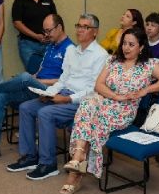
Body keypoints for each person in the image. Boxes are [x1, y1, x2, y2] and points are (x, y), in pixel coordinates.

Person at [60, 28, 159, 194]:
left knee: (91, 115)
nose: (126, 48)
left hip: (124, 111)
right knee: (88, 104)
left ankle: (76, 167)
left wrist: (146, 90)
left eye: (131, 44)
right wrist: (115, 96)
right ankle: (78, 160)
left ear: (141, 47)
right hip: (106, 101)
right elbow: (98, 85)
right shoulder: (113, 60)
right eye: (124, 44)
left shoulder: (149, 65)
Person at [6, 13, 108, 180]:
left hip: (81, 102)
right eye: (79, 26)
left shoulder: (101, 55)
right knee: (26, 107)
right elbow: (62, 80)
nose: (80, 30)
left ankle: (48, 164)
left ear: (95, 31)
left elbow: (94, 90)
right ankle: (30, 157)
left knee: (45, 113)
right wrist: (49, 93)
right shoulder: (72, 51)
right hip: (62, 94)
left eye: (85, 27)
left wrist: (67, 99)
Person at [0, 14, 74, 163]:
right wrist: (33, 78)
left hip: (52, 90)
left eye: (49, 31)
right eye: (45, 31)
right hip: (36, 88)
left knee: (24, 77)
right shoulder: (50, 46)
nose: (46, 35)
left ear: (60, 27)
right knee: (0, 97)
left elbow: (66, 80)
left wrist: (35, 80)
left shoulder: (70, 49)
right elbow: (40, 70)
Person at [11, 0, 57, 74]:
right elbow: (17, 23)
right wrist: (36, 36)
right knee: (34, 74)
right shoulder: (20, 0)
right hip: (28, 45)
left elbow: (55, 19)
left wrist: (49, 36)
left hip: (47, 44)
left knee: (48, 73)